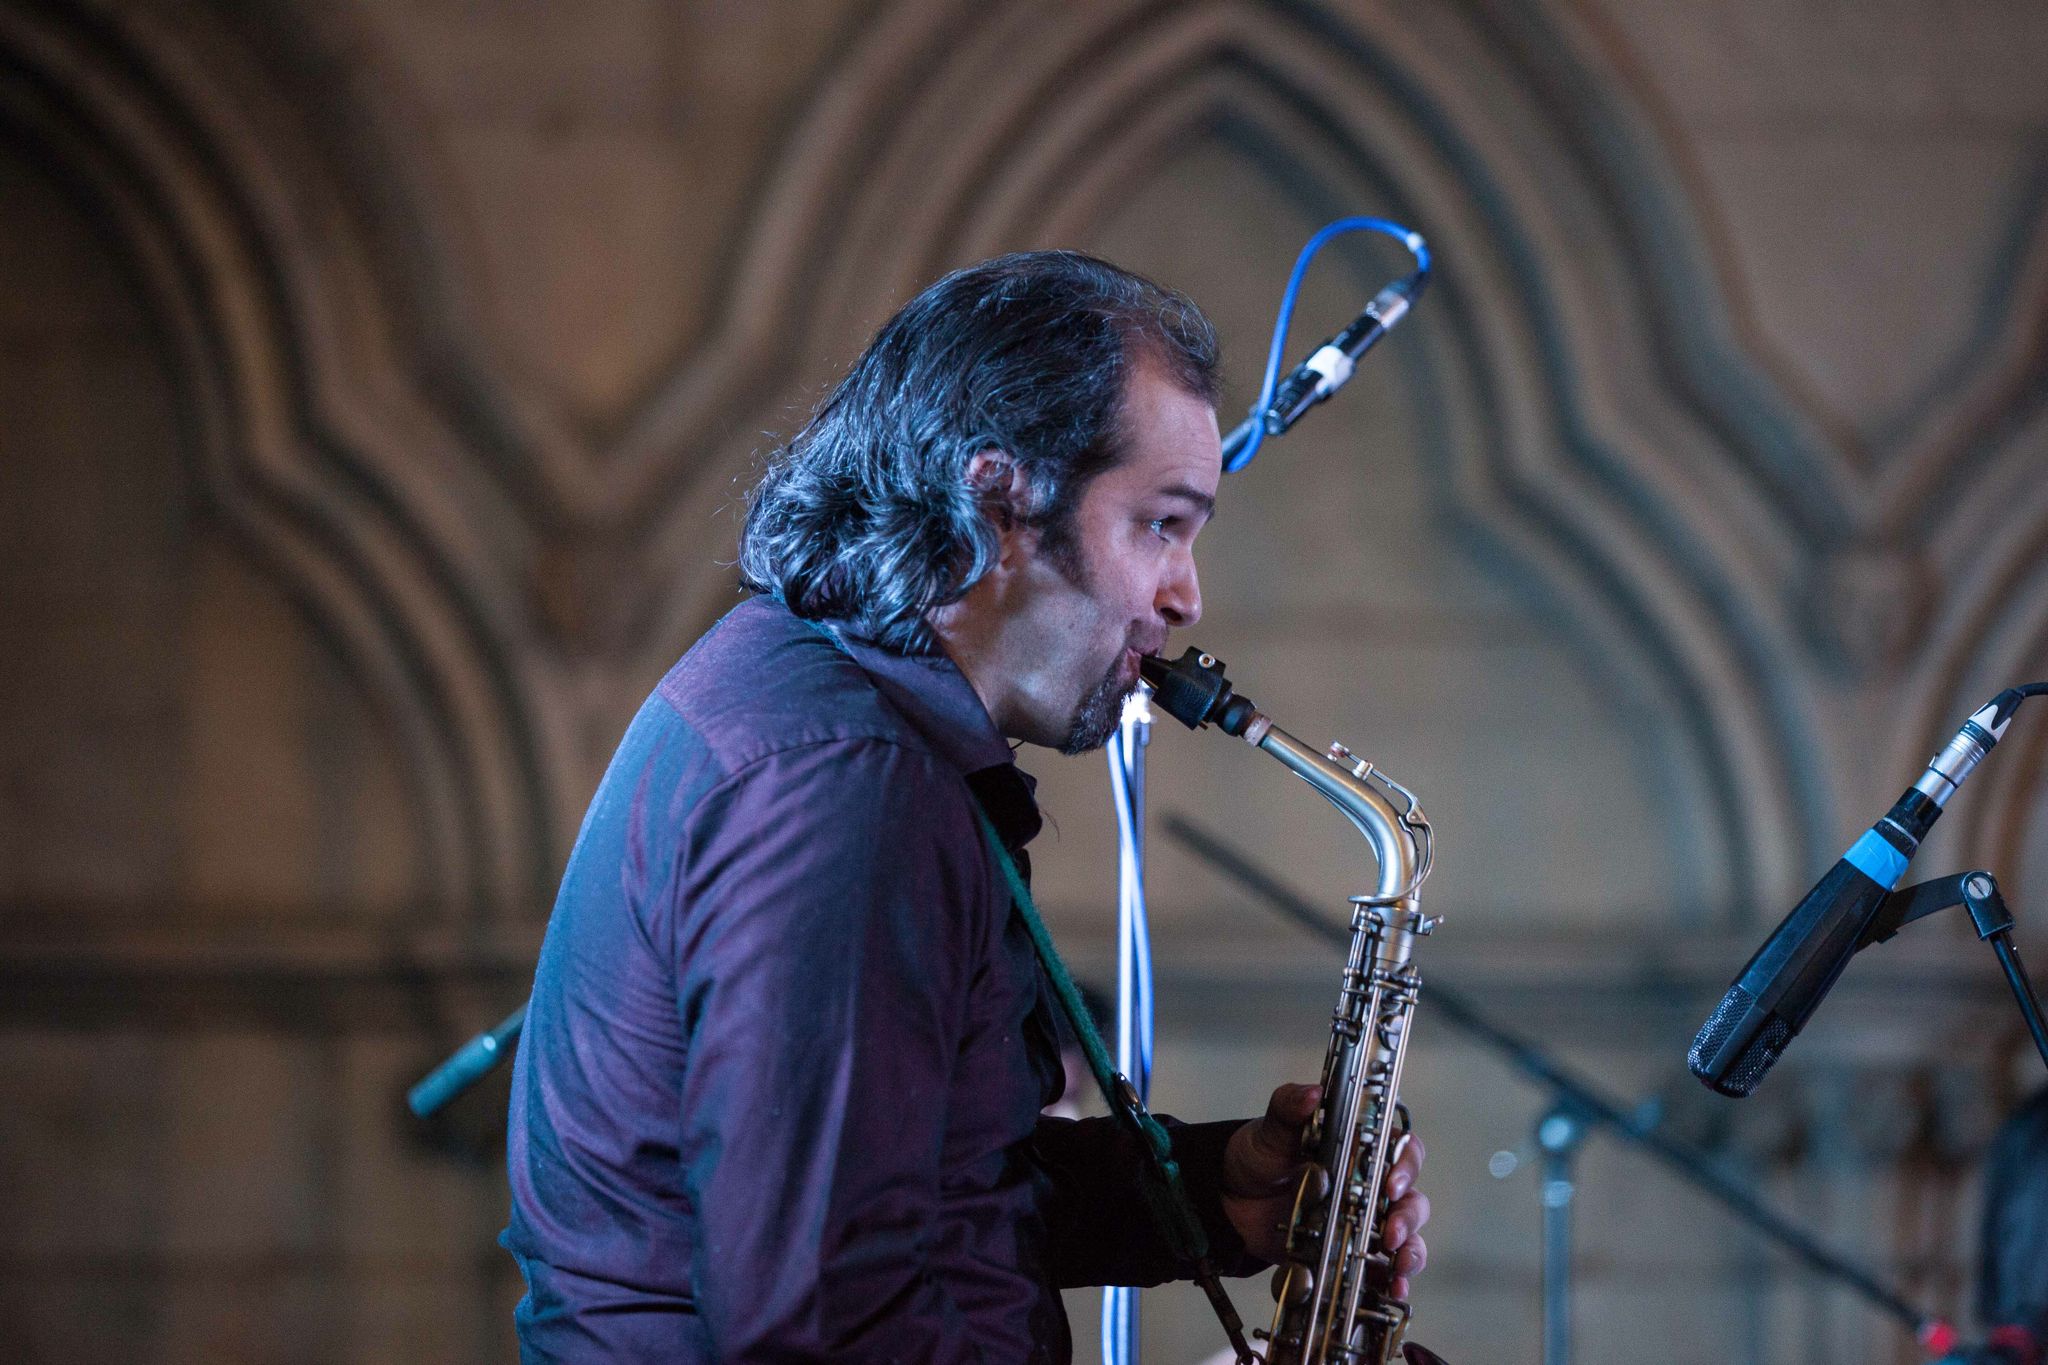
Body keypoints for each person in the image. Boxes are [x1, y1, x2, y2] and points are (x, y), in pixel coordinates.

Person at [501, 250, 1430, 1362]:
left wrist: (1219, 1196)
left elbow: (938, 1192)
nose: (1185, 597)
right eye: (1160, 525)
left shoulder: (851, 728)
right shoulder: (840, 786)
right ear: (999, 501)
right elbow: (818, 1321)